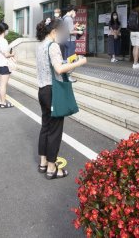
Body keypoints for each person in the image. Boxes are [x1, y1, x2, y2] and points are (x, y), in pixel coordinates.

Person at [36, 18, 87, 179]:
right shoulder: (53, 46)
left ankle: (43, 162)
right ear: (53, 31)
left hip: (42, 90)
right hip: (53, 92)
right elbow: (58, 69)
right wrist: (79, 63)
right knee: (55, 131)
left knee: (45, 126)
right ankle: (52, 168)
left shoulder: (40, 46)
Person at [0, 22, 15, 108]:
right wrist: (12, 54)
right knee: (3, 85)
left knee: (1, 84)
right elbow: (6, 55)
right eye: (7, 30)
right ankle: (3, 103)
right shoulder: (3, 41)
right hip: (4, 65)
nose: (8, 32)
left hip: (0, 65)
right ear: (4, 30)